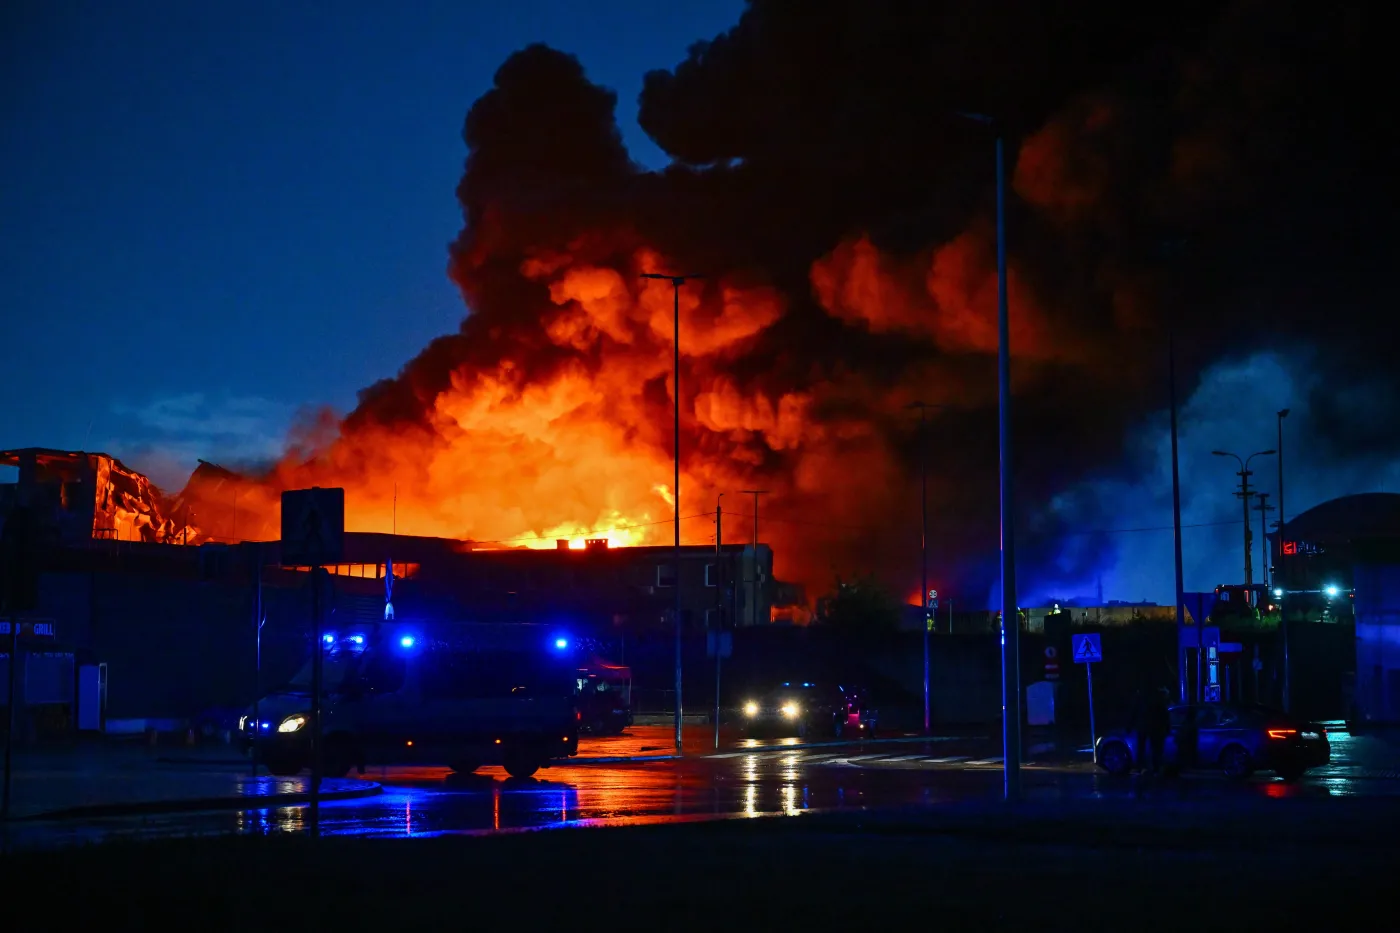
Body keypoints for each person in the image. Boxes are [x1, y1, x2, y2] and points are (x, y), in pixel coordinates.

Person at [1145, 687, 1171, 776]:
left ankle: (1156, 768)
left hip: (1155, 731)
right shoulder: (1162, 707)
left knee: (1155, 750)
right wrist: (1167, 729)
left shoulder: (1154, 706)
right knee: (1158, 750)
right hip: (1159, 731)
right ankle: (1157, 768)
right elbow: (1166, 719)